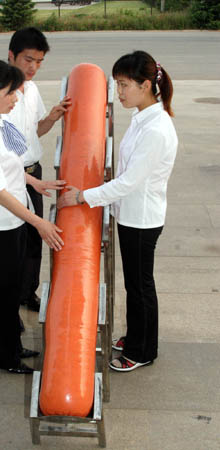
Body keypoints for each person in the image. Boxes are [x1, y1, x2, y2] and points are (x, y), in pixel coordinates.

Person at [57, 51, 178, 372]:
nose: (119, 92)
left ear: (146, 85)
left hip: (142, 217)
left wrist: (82, 196)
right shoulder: (144, 118)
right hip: (132, 213)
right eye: (117, 84)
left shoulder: (156, 129)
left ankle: (142, 350)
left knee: (140, 286)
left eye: (124, 85)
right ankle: (137, 335)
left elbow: (128, 182)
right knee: (136, 284)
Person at [0, 60, 65, 374]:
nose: (15, 99)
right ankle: (4, 357)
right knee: (3, 293)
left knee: (12, 287)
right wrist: (40, 222)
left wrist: (35, 182)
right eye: (9, 93)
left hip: (15, 220)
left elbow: (10, 167)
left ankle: (14, 347)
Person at [5, 27, 71, 312]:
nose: (33, 67)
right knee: (12, 242)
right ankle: (9, 300)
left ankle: (26, 293)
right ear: (11, 56)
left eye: (39, 61)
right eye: (28, 59)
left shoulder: (31, 90)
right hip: (10, 176)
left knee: (34, 238)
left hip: (35, 171)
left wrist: (53, 117)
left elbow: (35, 132)